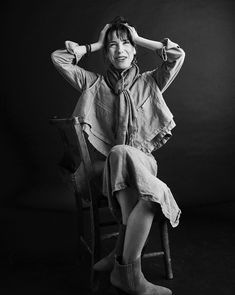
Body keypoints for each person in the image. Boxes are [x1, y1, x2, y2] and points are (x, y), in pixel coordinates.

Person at [51, 16, 185, 295]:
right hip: (114, 167)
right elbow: (60, 59)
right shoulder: (94, 83)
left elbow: (176, 55)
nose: (120, 50)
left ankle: (119, 256)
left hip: (143, 162)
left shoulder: (151, 81)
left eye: (126, 44)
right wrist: (95, 45)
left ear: (134, 49)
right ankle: (128, 273)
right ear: (106, 53)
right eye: (112, 46)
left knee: (122, 153)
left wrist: (138, 39)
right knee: (141, 184)